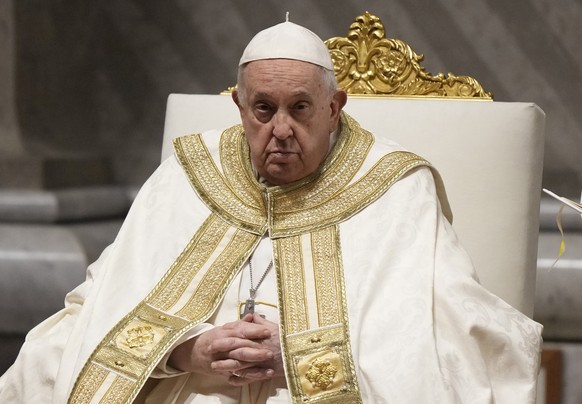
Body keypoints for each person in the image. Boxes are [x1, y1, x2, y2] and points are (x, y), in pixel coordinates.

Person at [0, 19, 542, 404]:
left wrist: (300, 359)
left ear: (334, 108)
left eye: (300, 109)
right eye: (264, 109)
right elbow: (106, 301)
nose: (280, 129)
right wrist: (185, 349)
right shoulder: (190, 172)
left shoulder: (395, 187)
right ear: (239, 104)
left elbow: (443, 335)